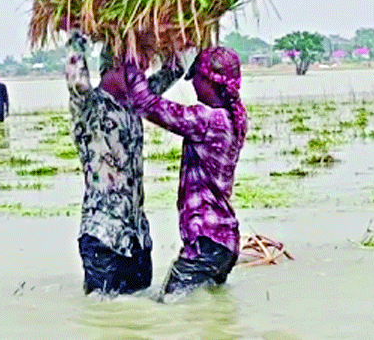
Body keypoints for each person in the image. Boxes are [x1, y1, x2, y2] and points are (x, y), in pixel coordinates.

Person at [123, 46, 247, 300]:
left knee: (168, 309)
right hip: (225, 244)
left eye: (197, 80)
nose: (192, 87)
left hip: (206, 242)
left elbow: (147, 104)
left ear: (209, 82)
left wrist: (131, 59)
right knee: (209, 315)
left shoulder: (208, 121)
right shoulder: (234, 118)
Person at [65, 31, 183, 295]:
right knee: (106, 317)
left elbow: (175, 70)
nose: (140, 77)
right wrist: (75, 35)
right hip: (103, 238)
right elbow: (79, 82)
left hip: (138, 237)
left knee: (137, 320)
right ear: (112, 70)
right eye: (134, 70)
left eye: (141, 70)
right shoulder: (88, 106)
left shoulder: (134, 103)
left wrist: (172, 38)